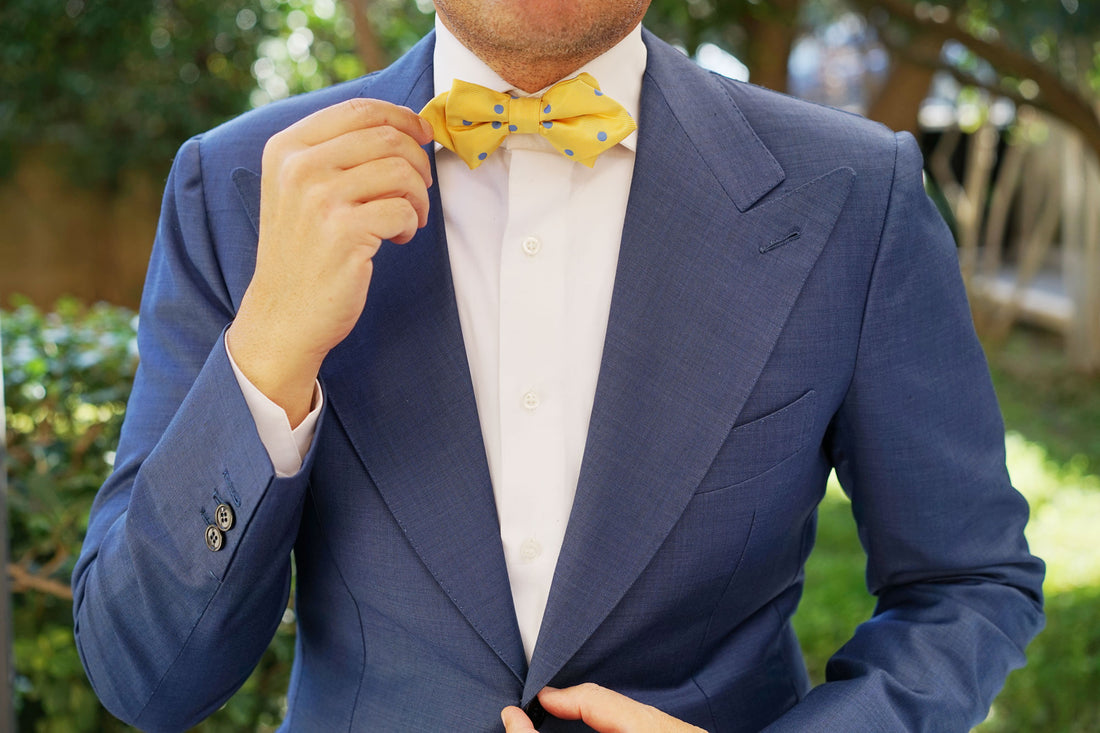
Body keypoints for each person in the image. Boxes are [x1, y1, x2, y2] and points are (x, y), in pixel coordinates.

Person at [72, 0, 1045, 730]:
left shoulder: (852, 193)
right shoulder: (237, 185)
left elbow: (967, 582)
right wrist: (270, 346)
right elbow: (143, 674)